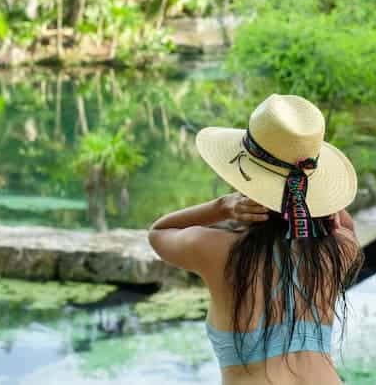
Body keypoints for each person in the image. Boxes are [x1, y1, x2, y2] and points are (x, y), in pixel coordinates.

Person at [149, 93, 364, 385]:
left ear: (243, 182)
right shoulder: (338, 251)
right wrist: (321, 201)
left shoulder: (218, 250)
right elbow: (347, 227)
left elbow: (159, 233)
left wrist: (222, 207)